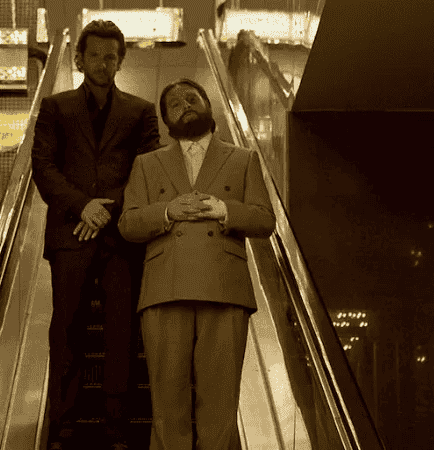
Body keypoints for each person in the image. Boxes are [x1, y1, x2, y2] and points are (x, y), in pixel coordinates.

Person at [118, 78, 275, 450]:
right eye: (175, 104)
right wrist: (167, 211)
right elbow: (128, 224)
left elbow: (265, 220)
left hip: (225, 288)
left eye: (192, 98)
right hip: (164, 288)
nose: (185, 105)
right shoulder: (146, 163)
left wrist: (224, 210)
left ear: (209, 106)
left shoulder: (243, 158)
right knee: (166, 403)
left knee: (220, 405)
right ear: (166, 121)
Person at [31, 20, 162, 450]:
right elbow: (43, 166)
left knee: (121, 330)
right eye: (95, 56)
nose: (103, 64)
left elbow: (147, 170)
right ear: (79, 59)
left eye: (111, 57)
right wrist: (82, 205)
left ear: (120, 61)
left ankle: (116, 422)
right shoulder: (55, 107)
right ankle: (62, 422)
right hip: (71, 233)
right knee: (66, 328)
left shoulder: (141, 111)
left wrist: (105, 210)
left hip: (121, 236)